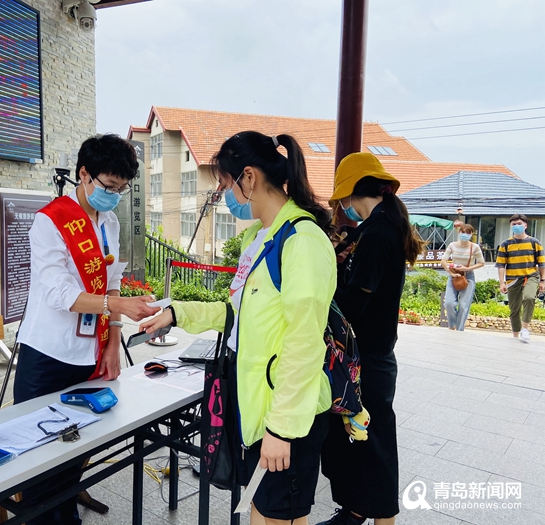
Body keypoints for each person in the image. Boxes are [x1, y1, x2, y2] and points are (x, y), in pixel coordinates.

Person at [141, 131, 336, 525]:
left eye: (225, 183)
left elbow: (305, 342)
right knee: (264, 514)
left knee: (276, 516)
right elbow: (238, 311)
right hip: (252, 406)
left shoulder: (302, 240)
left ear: (248, 177)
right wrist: (178, 312)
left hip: (283, 415)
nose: (223, 194)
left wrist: (280, 429)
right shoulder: (258, 236)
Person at [13, 134, 159, 525]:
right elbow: (61, 293)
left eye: (121, 189)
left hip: (90, 355)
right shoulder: (49, 221)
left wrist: (112, 343)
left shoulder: (109, 220)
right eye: (109, 187)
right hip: (47, 356)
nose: (114, 195)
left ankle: (67, 517)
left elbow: (112, 281)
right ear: (84, 175)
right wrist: (119, 306)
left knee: (75, 453)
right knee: (40, 462)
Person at [318, 153, 424, 525]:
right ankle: (355, 509)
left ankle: (382, 518)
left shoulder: (379, 232)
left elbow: (355, 304)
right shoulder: (376, 225)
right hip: (365, 354)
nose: (341, 208)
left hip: (369, 360)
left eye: (341, 199)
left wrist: (319, 296)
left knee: (373, 439)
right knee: (354, 437)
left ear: (350, 191)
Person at [495, 214, 545, 343]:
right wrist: (502, 282)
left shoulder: (535, 242)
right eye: (514, 224)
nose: (516, 226)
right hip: (513, 278)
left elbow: (542, 263)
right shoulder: (505, 244)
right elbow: (501, 265)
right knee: (514, 308)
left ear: (525, 225)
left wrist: (543, 280)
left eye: (519, 224)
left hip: (531, 276)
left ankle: (525, 328)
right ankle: (515, 336)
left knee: (529, 297)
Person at [441, 223, 485, 331]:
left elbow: (481, 262)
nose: (465, 234)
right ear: (459, 232)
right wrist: (450, 272)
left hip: (468, 276)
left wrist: (467, 268)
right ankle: (452, 325)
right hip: (454, 275)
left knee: (464, 305)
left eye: (468, 233)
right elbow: (443, 260)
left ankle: (459, 330)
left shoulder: (474, 247)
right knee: (449, 303)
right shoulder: (452, 245)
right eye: (463, 232)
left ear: (471, 234)